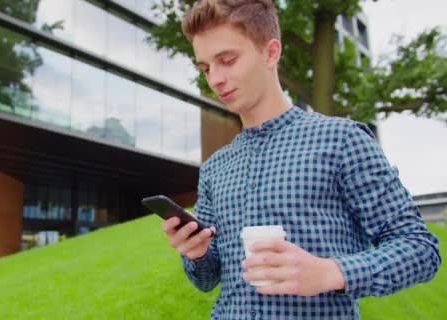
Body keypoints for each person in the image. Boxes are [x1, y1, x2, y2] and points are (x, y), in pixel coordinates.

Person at [161, 0, 441, 319]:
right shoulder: (214, 168)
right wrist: (197, 253)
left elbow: (420, 248)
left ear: (271, 52)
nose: (216, 79)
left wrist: (332, 272)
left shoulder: (341, 140)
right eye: (206, 67)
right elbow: (208, 280)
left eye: (227, 60)